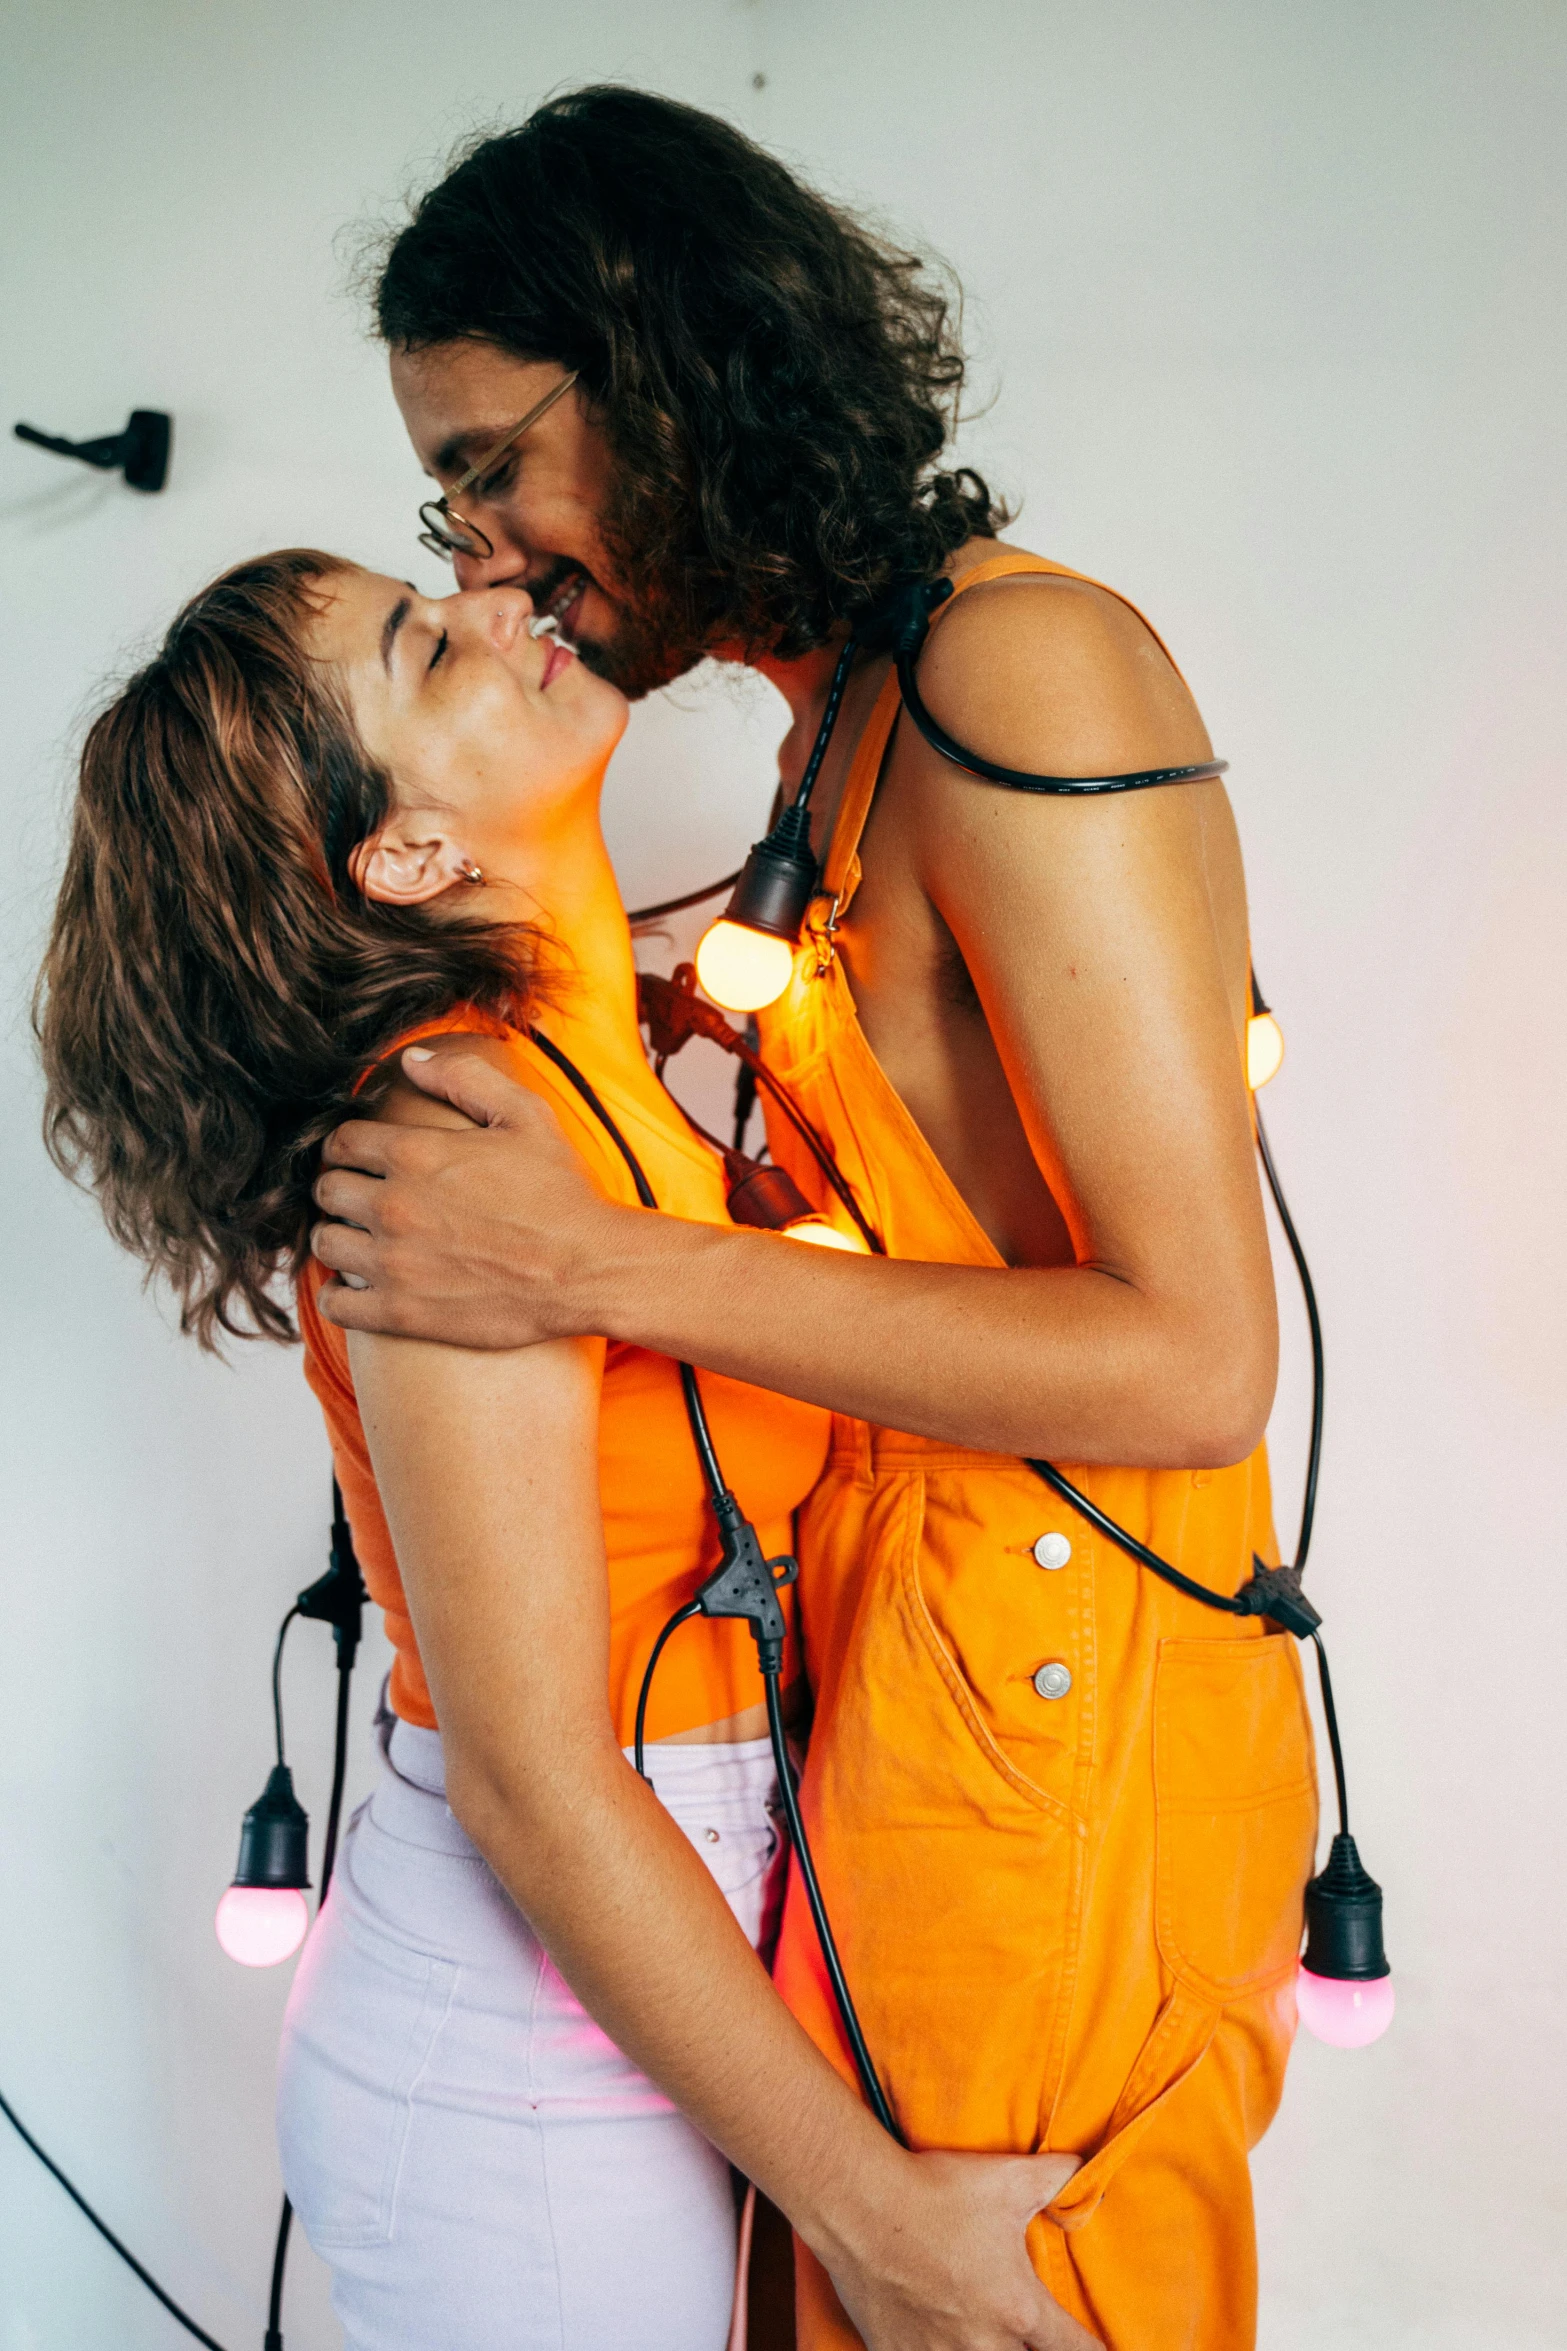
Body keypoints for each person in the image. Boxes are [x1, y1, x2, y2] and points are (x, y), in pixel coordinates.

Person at [311, 88, 1321, 2349]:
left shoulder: (1018, 670)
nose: (480, 548)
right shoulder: (833, 724)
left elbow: (1191, 1358)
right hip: (908, 1712)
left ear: (662, 363)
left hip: (1069, 1716)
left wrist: (588, 1259)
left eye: (491, 461)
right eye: (445, 490)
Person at [35, 550, 1092, 2351]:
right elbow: (537, 1782)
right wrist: (876, 2219)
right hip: (523, 2062)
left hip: (658, 1968)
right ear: (407, 857)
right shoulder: (459, 1137)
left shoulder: (606, 1068)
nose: (500, 605)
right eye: (420, 645)